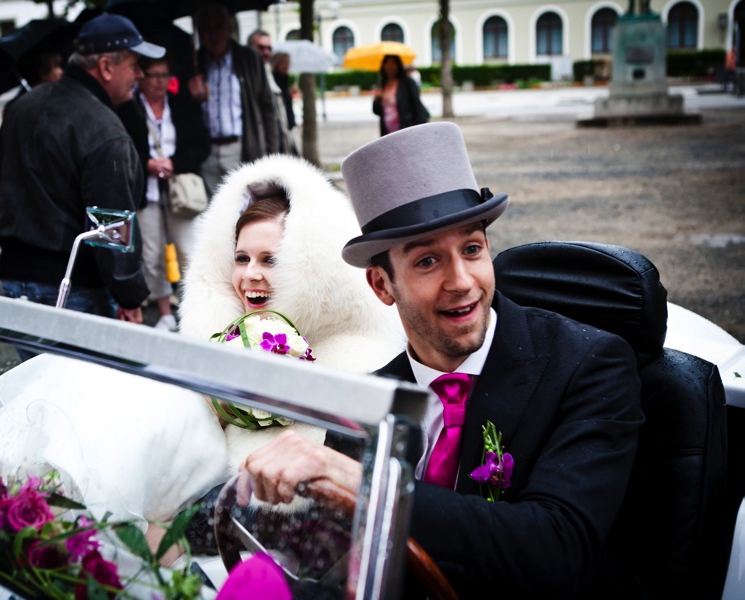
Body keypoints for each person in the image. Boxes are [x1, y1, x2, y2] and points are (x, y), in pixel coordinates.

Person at [238, 123, 644, 598]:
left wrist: (370, 482)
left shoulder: (591, 366)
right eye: (428, 261)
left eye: (472, 249)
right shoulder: (363, 409)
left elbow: (556, 551)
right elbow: (336, 569)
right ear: (381, 286)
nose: (462, 281)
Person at [0, 154, 403, 552]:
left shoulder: (353, 362)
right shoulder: (211, 334)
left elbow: (304, 512)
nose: (251, 276)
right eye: (241, 258)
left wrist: (173, 535)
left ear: (314, 265)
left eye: (270, 260)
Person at [0, 14, 159, 324]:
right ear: (105, 66)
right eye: (134, 65)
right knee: (83, 374)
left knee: (34, 374)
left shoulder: (22, 106)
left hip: (13, 280)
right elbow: (111, 229)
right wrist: (129, 297)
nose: (140, 74)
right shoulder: (103, 129)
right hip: (70, 289)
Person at [117, 56, 210, 331]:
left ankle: (197, 307)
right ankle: (165, 311)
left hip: (180, 189)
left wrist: (174, 163)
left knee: (190, 248)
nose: (159, 81)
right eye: (154, 75)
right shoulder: (128, 109)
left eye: (164, 75)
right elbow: (123, 147)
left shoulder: (181, 105)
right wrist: (147, 163)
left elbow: (200, 146)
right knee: (152, 253)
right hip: (146, 191)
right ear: (141, 77)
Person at [188, 3, 279, 194]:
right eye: (206, 28)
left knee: (244, 210)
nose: (213, 34)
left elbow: (268, 108)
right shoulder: (194, 63)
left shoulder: (249, 59)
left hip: (241, 149)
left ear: (229, 28)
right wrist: (191, 97)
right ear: (198, 31)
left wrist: (271, 153)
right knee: (213, 214)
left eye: (218, 26)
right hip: (207, 153)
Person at [248, 29, 296, 155]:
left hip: (277, 142)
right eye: (261, 48)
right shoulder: (247, 77)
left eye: (269, 48)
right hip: (258, 146)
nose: (266, 52)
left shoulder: (269, 74)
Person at [372, 54, 429, 136]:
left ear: (398, 65)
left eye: (393, 63)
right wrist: (377, 99)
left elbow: (417, 105)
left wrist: (421, 129)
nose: (390, 66)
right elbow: (377, 111)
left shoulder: (408, 83)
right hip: (388, 133)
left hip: (406, 130)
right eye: (387, 63)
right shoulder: (381, 85)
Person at [271, 52, 297, 134]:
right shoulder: (274, 79)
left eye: (288, 63)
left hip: (286, 122)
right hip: (279, 124)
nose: (286, 66)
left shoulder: (284, 78)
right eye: (284, 63)